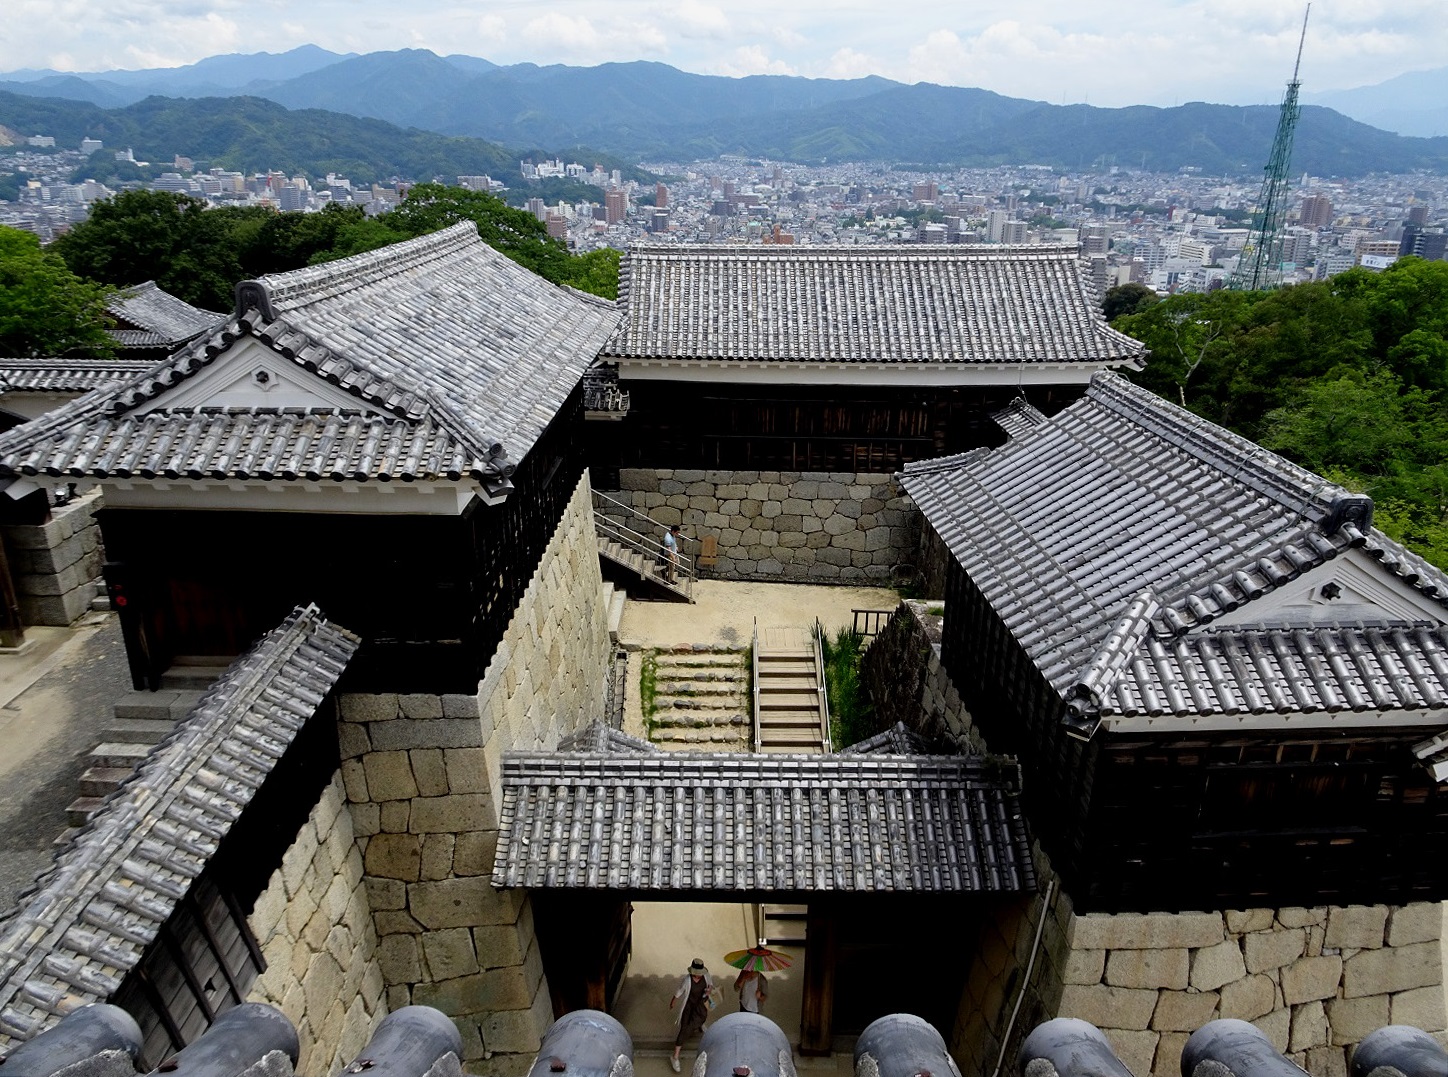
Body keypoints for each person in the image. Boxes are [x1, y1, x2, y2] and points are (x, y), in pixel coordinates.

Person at [669, 957, 714, 1071]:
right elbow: (680, 990)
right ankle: (675, 1057)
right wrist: (673, 1000)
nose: (698, 975)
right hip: (689, 1006)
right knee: (685, 1028)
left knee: (700, 1019)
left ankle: (698, 1026)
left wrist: (709, 991)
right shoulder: (687, 980)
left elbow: (711, 985)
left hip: (701, 1005)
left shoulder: (706, 976)